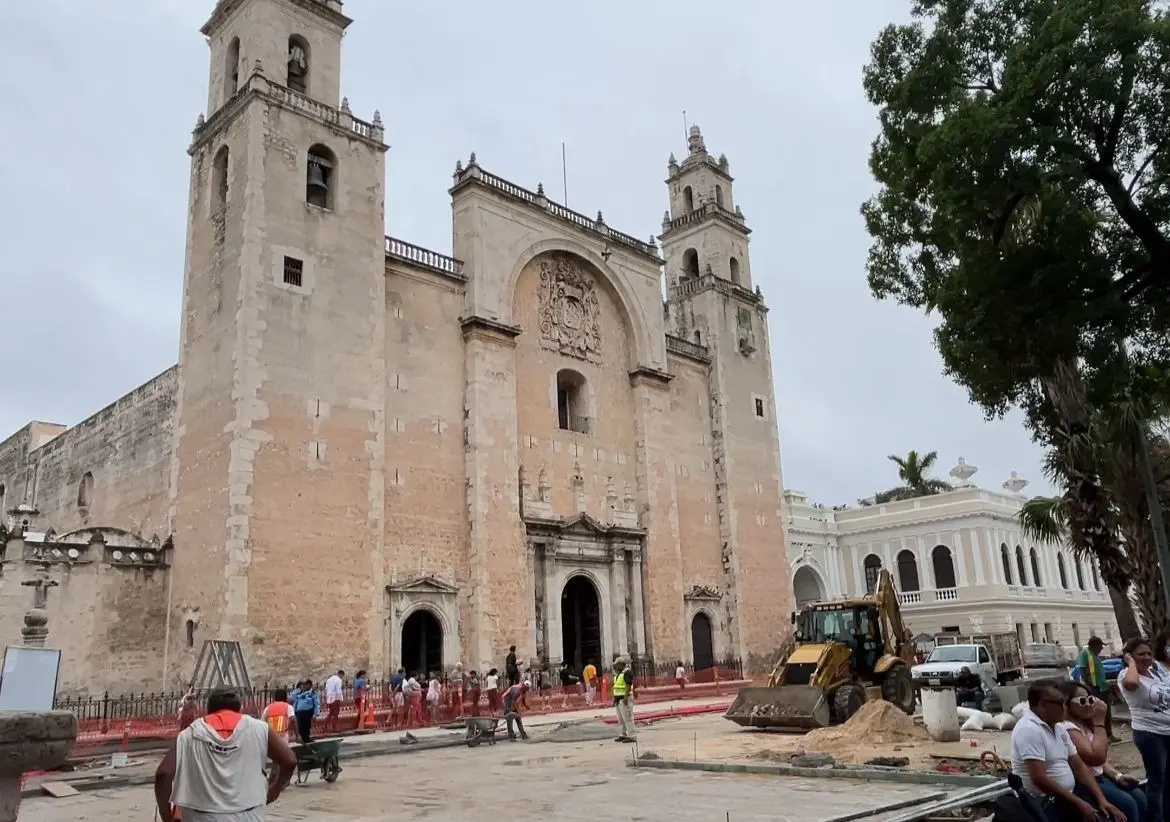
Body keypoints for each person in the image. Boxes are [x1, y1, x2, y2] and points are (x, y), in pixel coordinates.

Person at [155, 687, 296, 822]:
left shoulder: (190, 734)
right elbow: (289, 760)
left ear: (209, 709)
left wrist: (167, 817)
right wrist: (274, 790)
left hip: (200, 815)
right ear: (239, 708)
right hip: (248, 813)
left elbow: (164, 773)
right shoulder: (258, 729)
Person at [1009, 679, 1122, 822]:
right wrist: (1080, 804)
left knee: (1116, 813)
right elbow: (1039, 779)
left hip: (1067, 797)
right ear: (1042, 705)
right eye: (1060, 703)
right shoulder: (1029, 730)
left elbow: (1079, 766)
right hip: (1045, 802)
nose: (1065, 707)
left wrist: (1102, 800)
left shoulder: (1058, 728)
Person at [1059, 680, 1147, 822]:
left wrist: (1117, 775)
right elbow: (1096, 757)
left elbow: (1102, 762)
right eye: (1082, 701)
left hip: (1101, 778)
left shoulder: (1083, 724)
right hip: (1086, 784)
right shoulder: (1067, 727)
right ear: (1067, 703)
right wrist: (1099, 721)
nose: (1088, 704)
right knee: (1128, 804)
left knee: (1139, 796)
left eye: (1090, 699)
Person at [1121, 636, 1170, 822]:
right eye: (1141, 654)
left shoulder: (1156, 672)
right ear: (1129, 656)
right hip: (1150, 734)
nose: (1147, 657)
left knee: (1168, 781)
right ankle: (1155, 818)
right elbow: (1132, 684)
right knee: (1157, 780)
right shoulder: (1126, 675)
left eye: (1149, 653)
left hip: (1167, 732)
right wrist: (1131, 663)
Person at [1077, 637, 1118, 742]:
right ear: (1094, 645)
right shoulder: (1085, 654)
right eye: (1100, 646)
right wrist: (1089, 686)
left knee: (1106, 711)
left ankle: (1109, 735)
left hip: (1102, 687)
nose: (1101, 648)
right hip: (1094, 689)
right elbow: (1082, 670)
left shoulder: (1095, 656)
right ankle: (1101, 737)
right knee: (1097, 713)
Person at [612, 656, 636, 743]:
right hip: (618, 699)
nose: (615, 666)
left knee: (628, 717)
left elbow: (628, 685)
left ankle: (632, 735)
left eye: (616, 665)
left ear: (621, 664)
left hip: (624, 698)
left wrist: (625, 697)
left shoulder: (627, 672)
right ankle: (623, 734)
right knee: (620, 719)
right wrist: (615, 699)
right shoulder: (619, 673)